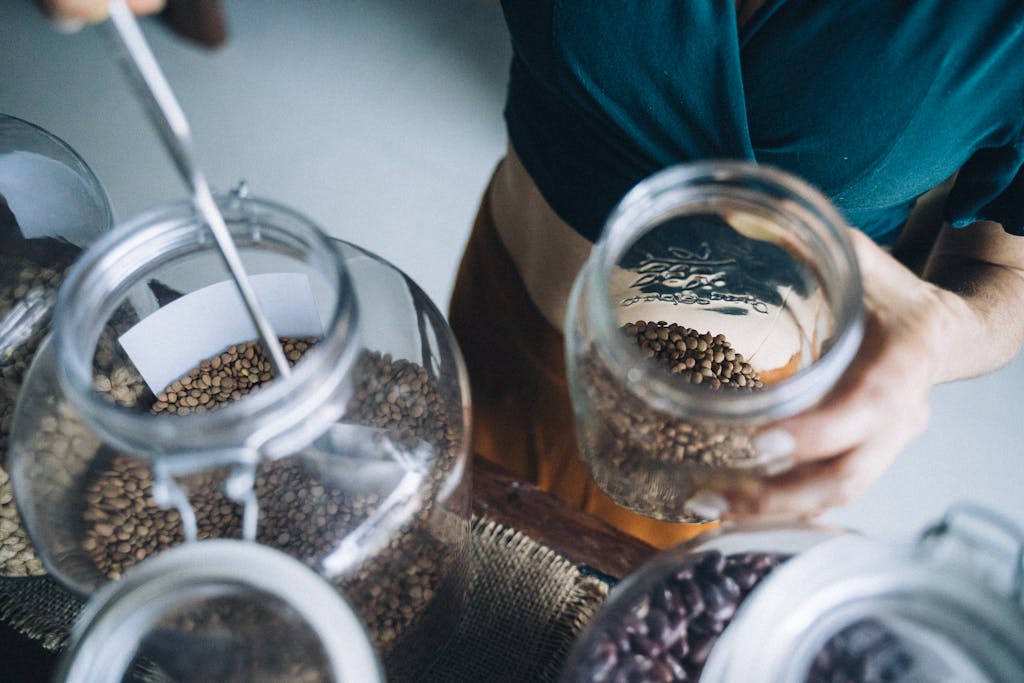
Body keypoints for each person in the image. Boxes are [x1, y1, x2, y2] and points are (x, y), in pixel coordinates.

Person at [46, 0, 1024, 548]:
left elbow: (1001, 261)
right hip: (509, 304)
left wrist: (941, 331)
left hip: (748, 427)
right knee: (439, 522)